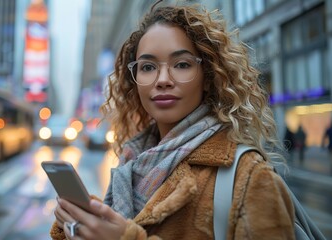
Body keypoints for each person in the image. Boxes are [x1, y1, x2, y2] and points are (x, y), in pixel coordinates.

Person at [51, 1, 295, 239]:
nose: (163, 79)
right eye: (147, 67)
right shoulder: (131, 164)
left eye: (181, 64)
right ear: (135, 81)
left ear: (208, 76)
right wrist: (85, 226)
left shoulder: (250, 177)